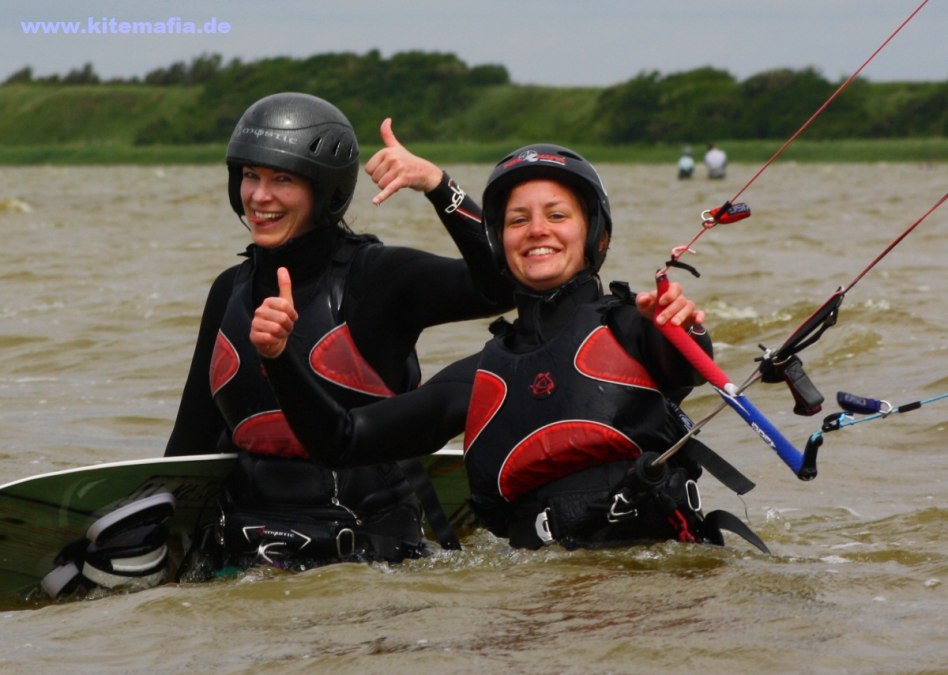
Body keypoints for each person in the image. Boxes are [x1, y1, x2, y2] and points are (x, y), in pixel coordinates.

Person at [252, 144, 767, 553]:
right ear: (499, 243)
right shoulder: (482, 377)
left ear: (597, 238)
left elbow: (686, 365)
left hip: (658, 585)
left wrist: (685, 327)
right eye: (518, 220)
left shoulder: (636, 326)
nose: (537, 230)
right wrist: (279, 359)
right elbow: (343, 442)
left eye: (557, 216)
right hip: (538, 606)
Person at [163, 92, 513, 573]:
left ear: (325, 191)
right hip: (245, 552)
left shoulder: (377, 278)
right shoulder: (229, 292)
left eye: (281, 179)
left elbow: (502, 287)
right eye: (250, 176)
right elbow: (190, 445)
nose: (259, 197)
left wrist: (437, 185)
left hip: (368, 559)